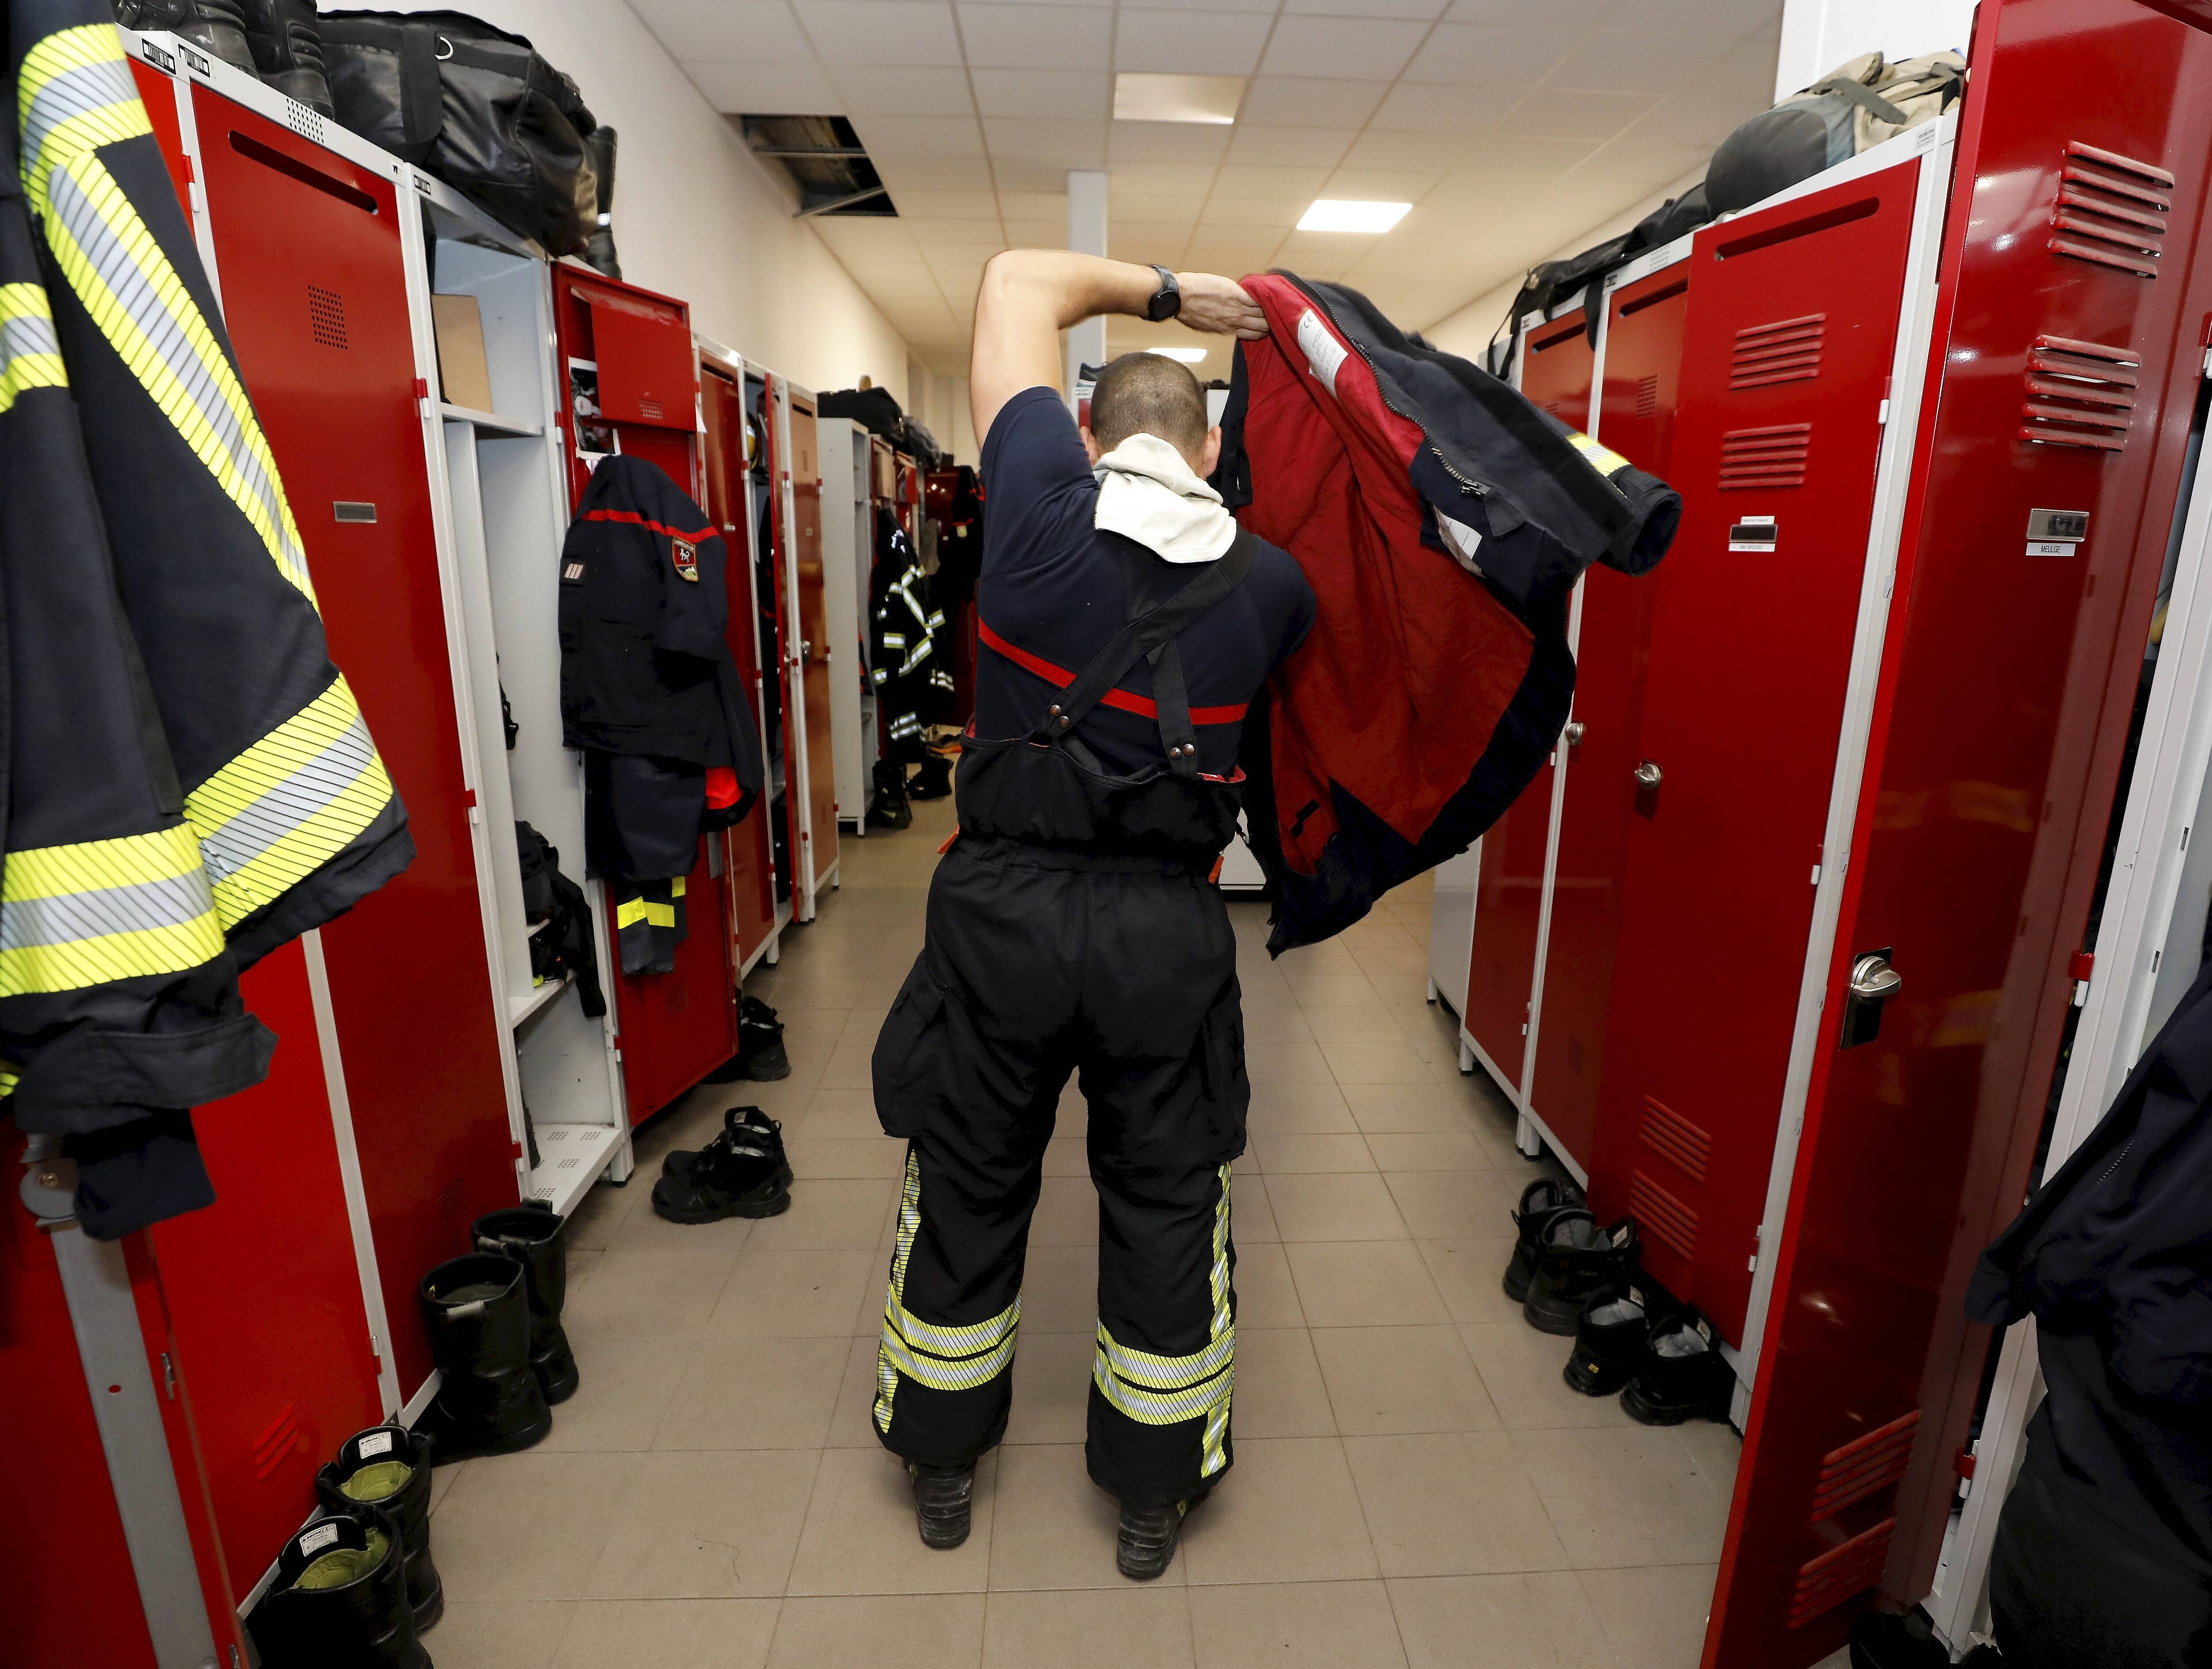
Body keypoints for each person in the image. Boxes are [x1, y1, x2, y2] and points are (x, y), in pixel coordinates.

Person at [867, 252, 1317, 1579]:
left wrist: (1179, 291)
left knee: (970, 1181)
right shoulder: (1277, 585)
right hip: (1164, 939)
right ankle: (1152, 1493)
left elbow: (1009, 277)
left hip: (999, 921)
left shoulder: (1032, 515)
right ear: (1215, 445)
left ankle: (944, 1463)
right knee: (1171, 1202)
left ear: (1077, 435)